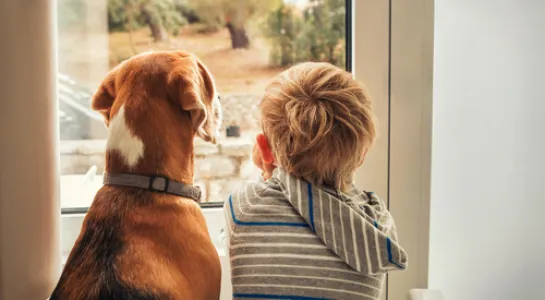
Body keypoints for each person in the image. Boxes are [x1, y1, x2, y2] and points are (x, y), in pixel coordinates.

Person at [224, 62, 408, 300]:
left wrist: (271, 170)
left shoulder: (244, 206)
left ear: (264, 150)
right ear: (362, 154)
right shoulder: (376, 225)